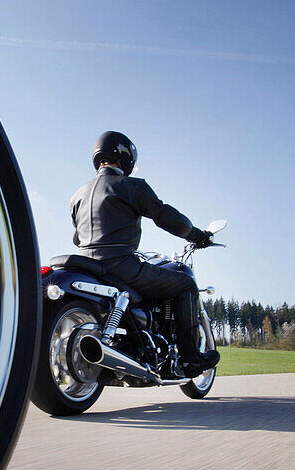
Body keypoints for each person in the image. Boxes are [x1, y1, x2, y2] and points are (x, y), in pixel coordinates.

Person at [71, 130, 220, 378]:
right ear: (125, 156)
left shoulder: (78, 194)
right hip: (120, 265)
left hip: (86, 264)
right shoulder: (132, 186)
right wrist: (195, 234)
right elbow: (165, 216)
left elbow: (78, 237)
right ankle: (192, 359)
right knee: (185, 284)